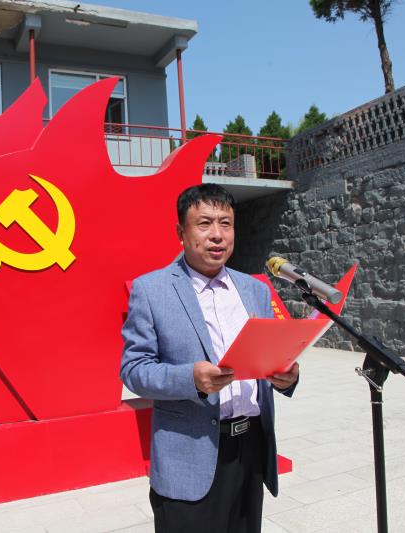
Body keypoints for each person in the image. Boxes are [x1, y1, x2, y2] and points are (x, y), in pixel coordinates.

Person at [120, 183, 300, 533]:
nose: (217, 235)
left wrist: (288, 376)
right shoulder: (152, 290)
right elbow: (134, 369)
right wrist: (190, 379)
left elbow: (272, 355)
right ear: (181, 233)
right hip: (190, 453)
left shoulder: (255, 289)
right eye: (204, 223)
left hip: (251, 449)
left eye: (226, 223)